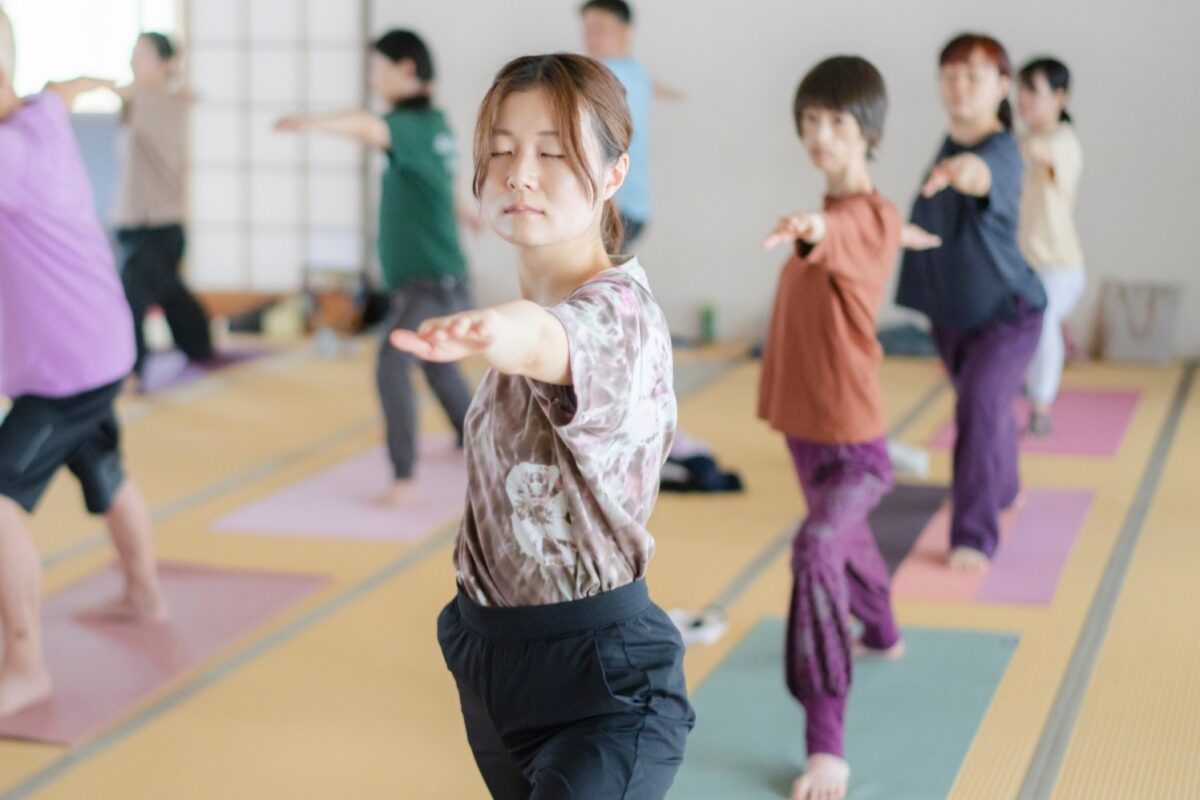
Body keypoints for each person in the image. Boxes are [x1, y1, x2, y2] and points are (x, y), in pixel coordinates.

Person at [391, 53, 694, 798]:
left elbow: (545, 339)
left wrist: (493, 329)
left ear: (615, 174)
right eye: (500, 150)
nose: (519, 174)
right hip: (490, 659)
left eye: (553, 154)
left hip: (604, 689)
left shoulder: (620, 314)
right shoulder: (533, 316)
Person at [759, 55, 937, 800]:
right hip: (807, 428)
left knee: (817, 549)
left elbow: (841, 229)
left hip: (856, 444)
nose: (819, 134)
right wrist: (819, 225)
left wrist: (811, 226)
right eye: (810, 120)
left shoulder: (865, 216)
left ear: (867, 131)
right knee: (847, 544)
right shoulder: (852, 217)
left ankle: (826, 743)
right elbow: (838, 231)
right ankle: (884, 634)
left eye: (835, 121)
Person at [0, 9, 167, 717]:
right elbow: (65, 86)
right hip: (100, 345)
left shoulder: (8, 155)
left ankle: (24, 664)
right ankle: (145, 593)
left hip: (64, 368)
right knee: (103, 466)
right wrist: (109, 83)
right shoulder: (41, 113)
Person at [276, 30, 479, 505]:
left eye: (377, 69)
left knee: (392, 362)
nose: (373, 80)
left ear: (406, 68)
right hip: (436, 276)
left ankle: (404, 477)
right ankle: (475, 440)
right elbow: (443, 177)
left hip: (430, 281)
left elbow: (368, 127)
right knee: (438, 365)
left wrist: (311, 122)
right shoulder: (435, 125)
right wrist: (462, 209)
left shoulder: (408, 126)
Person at [895, 33, 1047, 571]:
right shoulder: (949, 142)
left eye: (974, 75)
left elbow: (980, 177)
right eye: (951, 74)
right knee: (986, 409)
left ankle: (973, 536)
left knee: (978, 407)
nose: (960, 86)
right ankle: (1004, 488)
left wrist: (964, 173)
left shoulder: (1000, 151)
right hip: (954, 315)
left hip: (1008, 314)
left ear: (1002, 85)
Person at [112, 32, 215, 387]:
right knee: (167, 290)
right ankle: (199, 345)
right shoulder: (159, 100)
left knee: (134, 295)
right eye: (133, 54)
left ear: (166, 63)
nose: (133, 62)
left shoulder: (158, 101)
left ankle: (131, 368)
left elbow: (129, 93)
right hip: (141, 219)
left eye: (142, 55)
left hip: (156, 221)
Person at [1017, 57, 1084, 437]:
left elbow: (1039, 151)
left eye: (1033, 91)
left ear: (1060, 97)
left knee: (1042, 321)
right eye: (1021, 90)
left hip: (1058, 266)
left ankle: (1040, 408)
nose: (1023, 99)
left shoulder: (1064, 142)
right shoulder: (1023, 141)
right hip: (1022, 265)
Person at [579, 0, 681, 251]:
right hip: (636, 208)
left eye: (599, 28)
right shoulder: (637, 71)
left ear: (625, 31)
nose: (590, 38)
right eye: (587, 29)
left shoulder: (601, 74)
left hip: (614, 207)